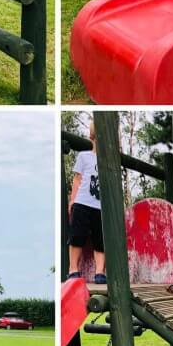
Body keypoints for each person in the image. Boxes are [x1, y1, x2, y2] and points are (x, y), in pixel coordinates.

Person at [67, 121, 106, 285]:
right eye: (98, 139)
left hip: (101, 207)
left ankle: (99, 271)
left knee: (100, 240)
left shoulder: (109, 161)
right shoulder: (84, 156)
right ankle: (72, 269)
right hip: (83, 202)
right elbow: (77, 179)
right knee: (77, 236)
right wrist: (72, 200)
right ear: (92, 138)